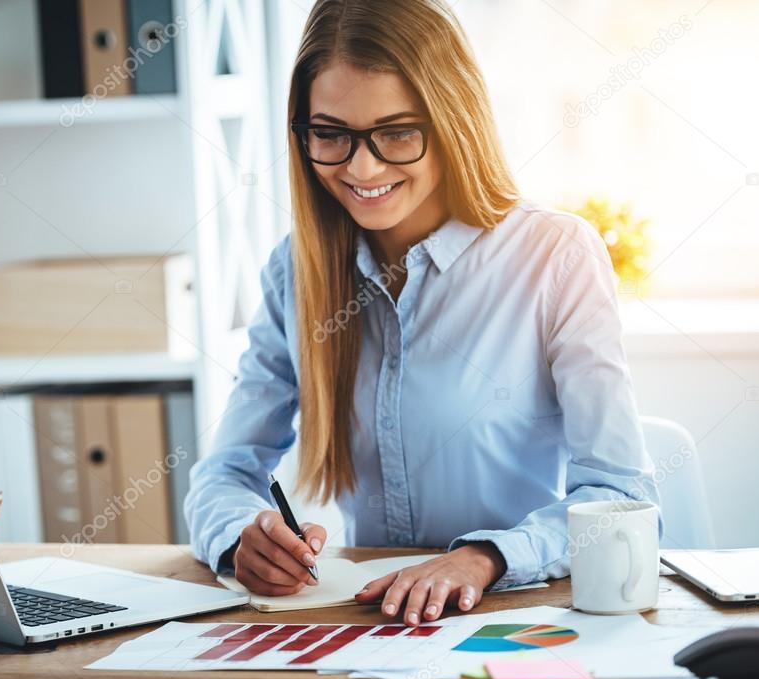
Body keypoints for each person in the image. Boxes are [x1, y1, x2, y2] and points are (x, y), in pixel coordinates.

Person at [184, 0, 660, 627]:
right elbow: (224, 472)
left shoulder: (555, 257)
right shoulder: (296, 270)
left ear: (453, 120)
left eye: (398, 132)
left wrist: (484, 558)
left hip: (518, 620)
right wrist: (242, 534)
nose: (362, 167)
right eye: (330, 134)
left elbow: (624, 498)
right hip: (373, 629)